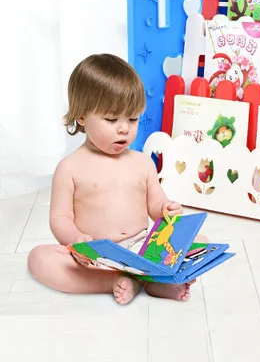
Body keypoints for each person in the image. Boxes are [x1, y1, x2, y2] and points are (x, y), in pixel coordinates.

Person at [27, 53, 202, 305]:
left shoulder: (142, 163)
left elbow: (155, 205)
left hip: (142, 249)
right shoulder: (70, 168)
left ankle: (155, 279)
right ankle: (115, 281)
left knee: (200, 241)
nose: (124, 128)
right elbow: (60, 218)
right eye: (111, 119)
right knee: (40, 258)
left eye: (132, 119)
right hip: (97, 257)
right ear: (81, 116)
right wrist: (76, 240)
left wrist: (166, 209)